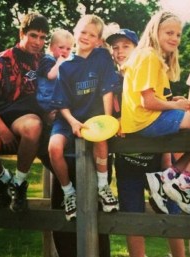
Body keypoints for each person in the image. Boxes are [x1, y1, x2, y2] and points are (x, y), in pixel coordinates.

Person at [120, 10, 190, 217]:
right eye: (169, 33)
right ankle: (183, 183)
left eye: (178, 34)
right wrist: (176, 107)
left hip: (146, 120)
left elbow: (150, 97)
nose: (175, 38)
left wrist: (172, 102)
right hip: (149, 121)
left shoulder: (146, 56)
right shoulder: (150, 56)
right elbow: (146, 101)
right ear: (155, 31)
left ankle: (169, 176)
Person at [106, 28, 185, 257]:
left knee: (172, 211)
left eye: (125, 46)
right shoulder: (110, 82)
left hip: (157, 160)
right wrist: (115, 119)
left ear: (137, 47)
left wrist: (167, 157)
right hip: (127, 161)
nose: (120, 52)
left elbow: (165, 117)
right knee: (132, 217)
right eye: (115, 47)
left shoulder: (152, 72)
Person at [47, 14, 119, 222]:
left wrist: (108, 120)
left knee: (101, 139)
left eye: (92, 35)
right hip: (69, 118)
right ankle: (69, 193)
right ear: (75, 32)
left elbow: (107, 89)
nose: (86, 37)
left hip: (92, 118)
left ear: (98, 40)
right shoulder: (65, 66)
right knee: (54, 148)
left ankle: (103, 186)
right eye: (83, 32)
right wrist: (72, 122)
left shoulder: (102, 57)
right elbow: (62, 104)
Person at [0, 12, 49, 212]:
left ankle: (19, 183)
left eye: (43, 37)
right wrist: (2, 129)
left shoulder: (44, 61)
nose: (38, 41)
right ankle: (3, 180)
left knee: (33, 126)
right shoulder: (1, 60)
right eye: (33, 35)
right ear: (22, 34)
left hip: (23, 116)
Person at [36, 28, 75, 115]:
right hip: (47, 100)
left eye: (68, 49)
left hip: (59, 98)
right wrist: (59, 63)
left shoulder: (66, 61)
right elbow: (51, 76)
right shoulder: (47, 60)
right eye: (61, 47)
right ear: (51, 47)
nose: (64, 51)